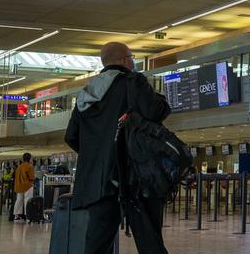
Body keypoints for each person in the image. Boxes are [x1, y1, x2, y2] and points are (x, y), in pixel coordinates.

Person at [65, 42, 171, 254]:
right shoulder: (133, 81)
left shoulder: (86, 93)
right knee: (149, 240)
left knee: (97, 243)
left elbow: (71, 136)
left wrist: (98, 156)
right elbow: (157, 111)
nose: (133, 61)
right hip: (133, 177)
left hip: (98, 183)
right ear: (124, 59)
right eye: (132, 57)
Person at [12, 153, 35, 222]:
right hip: (27, 186)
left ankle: (16, 216)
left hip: (19, 186)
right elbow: (31, 177)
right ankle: (28, 216)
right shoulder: (29, 166)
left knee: (19, 200)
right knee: (28, 200)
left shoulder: (19, 167)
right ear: (30, 159)